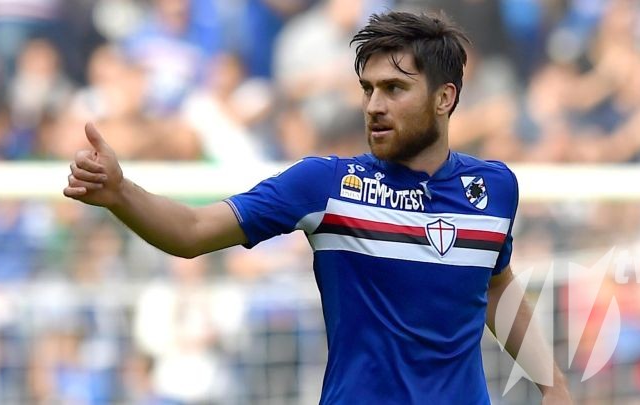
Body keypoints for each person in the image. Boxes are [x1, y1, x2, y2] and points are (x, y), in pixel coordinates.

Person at [64, 11, 572, 404]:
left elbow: (496, 283)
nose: (374, 105)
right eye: (368, 89)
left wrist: (553, 385)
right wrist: (120, 192)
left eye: (395, 88)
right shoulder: (326, 185)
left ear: (445, 98)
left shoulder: (495, 188)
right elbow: (193, 230)